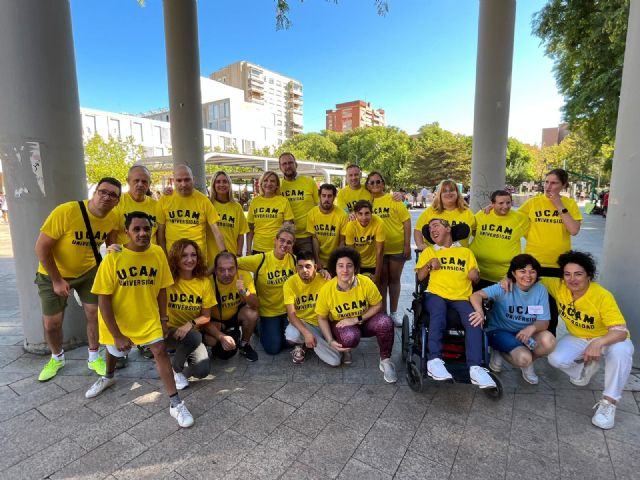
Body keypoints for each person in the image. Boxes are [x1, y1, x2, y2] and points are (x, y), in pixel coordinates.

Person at [85, 211, 194, 428]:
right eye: (136, 229)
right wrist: (116, 334)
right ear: (126, 232)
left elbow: (163, 288)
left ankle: (175, 403)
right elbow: (103, 298)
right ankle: (108, 377)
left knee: (160, 351)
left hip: (148, 317)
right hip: (119, 319)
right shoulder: (112, 258)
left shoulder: (157, 253)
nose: (142, 233)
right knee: (115, 351)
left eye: (146, 228)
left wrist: (163, 318)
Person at [34, 177, 121, 382]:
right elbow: (41, 247)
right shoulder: (66, 211)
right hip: (52, 273)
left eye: (112, 195)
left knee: (94, 313)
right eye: (103, 192)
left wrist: (112, 253)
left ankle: (93, 356)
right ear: (95, 192)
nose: (106, 197)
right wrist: (56, 280)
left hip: (88, 271)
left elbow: (112, 242)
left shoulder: (114, 216)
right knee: (52, 323)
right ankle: (57, 357)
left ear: (118, 200)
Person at [542, 251, 634, 429]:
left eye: (578, 274)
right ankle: (584, 370)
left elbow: (620, 331)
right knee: (555, 358)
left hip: (608, 337)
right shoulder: (558, 286)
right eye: (567, 274)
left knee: (622, 353)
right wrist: (508, 279)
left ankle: (609, 402)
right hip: (578, 336)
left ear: (589, 275)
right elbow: (529, 276)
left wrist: (598, 343)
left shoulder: (601, 295)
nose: (572, 279)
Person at [415, 218, 495, 388]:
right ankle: (434, 360)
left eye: (435, 226)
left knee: (474, 320)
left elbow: (475, 278)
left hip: (461, 296)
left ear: (448, 229)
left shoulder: (466, 253)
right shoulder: (430, 251)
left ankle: (475, 367)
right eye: (429, 228)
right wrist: (429, 265)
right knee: (438, 312)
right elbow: (419, 277)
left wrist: (475, 276)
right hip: (436, 294)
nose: (432, 230)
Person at [470, 254, 555, 385]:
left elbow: (544, 322)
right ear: (513, 274)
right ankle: (503, 351)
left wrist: (531, 328)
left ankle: (526, 361)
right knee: (523, 358)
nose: (528, 275)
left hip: (525, 332)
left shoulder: (540, 290)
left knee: (549, 341)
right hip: (499, 330)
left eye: (532, 272)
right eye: (522, 271)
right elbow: (476, 295)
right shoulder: (505, 286)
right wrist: (480, 312)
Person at [316, 247, 397, 382]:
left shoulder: (365, 282)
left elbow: (378, 304)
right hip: (342, 326)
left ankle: (386, 361)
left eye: (349, 265)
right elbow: (322, 317)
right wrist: (330, 340)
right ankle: (347, 349)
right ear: (334, 268)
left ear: (355, 267)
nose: (345, 270)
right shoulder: (327, 290)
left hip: (364, 322)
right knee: (350, 337)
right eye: (340, 266)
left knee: (385, 321)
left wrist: (356, 319)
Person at [519, 168, 582, 334]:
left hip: (558, 264)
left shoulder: (569, 204)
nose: (548, 186)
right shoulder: (533, 203)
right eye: (546, 182)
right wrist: (491, 208)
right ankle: (531, 339)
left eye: (554, 183)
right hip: (534, 262)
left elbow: (574, 229)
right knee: (533, 306)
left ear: (563, 185)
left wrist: (559, 205)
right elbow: (512, 220)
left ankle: (548, 340)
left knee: (553, 308)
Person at [164, 239, 215, 390]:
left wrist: (190, 324)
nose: (190, 259)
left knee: (202, 371)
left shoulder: (203, 282)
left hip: (191, 333)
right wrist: (115, 251)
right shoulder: (167, 279)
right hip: (168, 332)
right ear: (175, 258)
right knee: (194, 337)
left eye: (193, 255)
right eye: (184, 255)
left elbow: (206, 316)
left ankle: (177, 366)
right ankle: (176, 369)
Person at [238, 225, 296, 354]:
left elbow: (309, 270)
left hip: (287, 311)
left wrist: (322, 271)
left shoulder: (293, 260)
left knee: (290, 342)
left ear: (292, 245)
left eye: (289, 242)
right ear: (275, 240)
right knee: (273, 349)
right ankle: (257, 326)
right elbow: (233, 262)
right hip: (268, 311)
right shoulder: (261, 259)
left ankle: (276, 330)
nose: (284, 244)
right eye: (282, 240)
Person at [157, 165, 226, 263]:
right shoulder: (164, 200)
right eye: (179, 180)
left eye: (187, 180)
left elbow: (216, 232)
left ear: (193, 180)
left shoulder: (203, 200)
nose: (183, 184)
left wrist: (224, 254)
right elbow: (160, 234)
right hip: (173, 259)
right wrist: (164, 257)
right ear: (174, 181)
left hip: (197, 259)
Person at [367, 171, 411, 326]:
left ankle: (393, 313)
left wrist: (407, 245)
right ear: (368, 185)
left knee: (394, 280)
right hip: (378, 249)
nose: (375, 185)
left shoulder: (394, 199)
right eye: (371, 182)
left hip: (397, 247)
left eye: (378, 181)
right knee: (381, 281)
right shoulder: (368, 202)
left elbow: (406, 221)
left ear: (383, 183)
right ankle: (382, 314)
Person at [284, 252, 342, 366]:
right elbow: (291, 314)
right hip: (303, 322)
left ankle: (308, 343)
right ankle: (302, 343)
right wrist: (306, 333)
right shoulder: (290, 283)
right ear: (296, 268)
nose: (304, 270)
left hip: (323, 324)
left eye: (308, 266)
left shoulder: (325, 279)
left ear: (315, 267)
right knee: (292, 335)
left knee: (335, 360)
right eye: (300, 267)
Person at [203, 251, 259, 362]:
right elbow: (202, 318)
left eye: (231, 269)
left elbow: (256, 305)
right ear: (215, 270)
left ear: (237, 268)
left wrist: (244, 291)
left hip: (235, 316)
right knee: (213, 342)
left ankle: (244, 344)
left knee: (252, 313)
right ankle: (208, 347)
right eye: (221, 270)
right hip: (214, 320)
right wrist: (220, 336)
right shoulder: (208, 282)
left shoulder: (243, 275)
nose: (227, 273)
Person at [470, 190, 529, 289]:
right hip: (477, 273)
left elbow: (534, 235)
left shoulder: (520, 218)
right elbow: (470, 229)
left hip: (504, 278)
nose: (505, 206)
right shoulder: (482, 214)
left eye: (508, 203)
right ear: (492, 204)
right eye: (501, 203)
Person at [414, 179, 476, 249]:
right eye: (445, 191)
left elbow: (476, 231)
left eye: (451, 190)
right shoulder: (430, 211)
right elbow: (418, 230)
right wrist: (420, 245)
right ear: (440, 195)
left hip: (459, 258)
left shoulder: (467, 212)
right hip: (433, 257)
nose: (448, 193)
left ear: (457, 193)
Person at [279, 152, 319, 257]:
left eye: (290, 163)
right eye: (284, 164)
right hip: (285, 237)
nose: (288, 166)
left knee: (307, 268)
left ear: (296, 164)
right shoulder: (278, 187)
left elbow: (319, 206)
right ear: (280, 167)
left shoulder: (309, 182)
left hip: (306, 236)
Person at [246, 170, 294, 254]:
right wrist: (248, 250)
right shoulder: (255, 201)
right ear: (261, 184)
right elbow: (250, 229)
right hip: (258, 248)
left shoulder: (283, 201)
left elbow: (288, 229)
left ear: (277, 185)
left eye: (272, 181)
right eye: (265, 180)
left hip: (278, 249)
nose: (269, 183)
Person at [112, 165, 160, 246]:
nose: (140, 184)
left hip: (151, 255)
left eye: (144, 181)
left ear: (149, 184)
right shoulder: (117, 202)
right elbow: (111, 237)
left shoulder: (157, 205)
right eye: (136, 181)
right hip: (125, 255)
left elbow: (159, 236)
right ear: (128, 181)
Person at [207, 170, 249, 260]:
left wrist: (238, 255)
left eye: (225, 182)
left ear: (229, 184)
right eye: (218, 182)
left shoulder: (237, 207)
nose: (221, 184)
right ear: (213, 185)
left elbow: (241, 234)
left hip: (230, 257)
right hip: (210, 258)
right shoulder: (208, 204)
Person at [306, 183, 348, 270]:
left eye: (329, 196)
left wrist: (337, 261)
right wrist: (317, 260)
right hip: (319, 259)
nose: (326, 199)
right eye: (324, 195)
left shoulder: (342, 215)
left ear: (334, 197)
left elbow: (342, 241)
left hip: (335, 258)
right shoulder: (311, 214)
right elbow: (314, 239)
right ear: (319, 196)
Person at [343, 200, 385, 285]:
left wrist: (377, 275)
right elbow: (351, 253)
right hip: (357, 262)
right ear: (355, 214)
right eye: (360, 214)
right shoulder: (350, 226)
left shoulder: (379, 223)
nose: (364, 217)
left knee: (375, 292)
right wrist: (355, 274)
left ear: (371, 213)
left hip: (373, 263)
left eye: (367, 213)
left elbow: (379, 251)